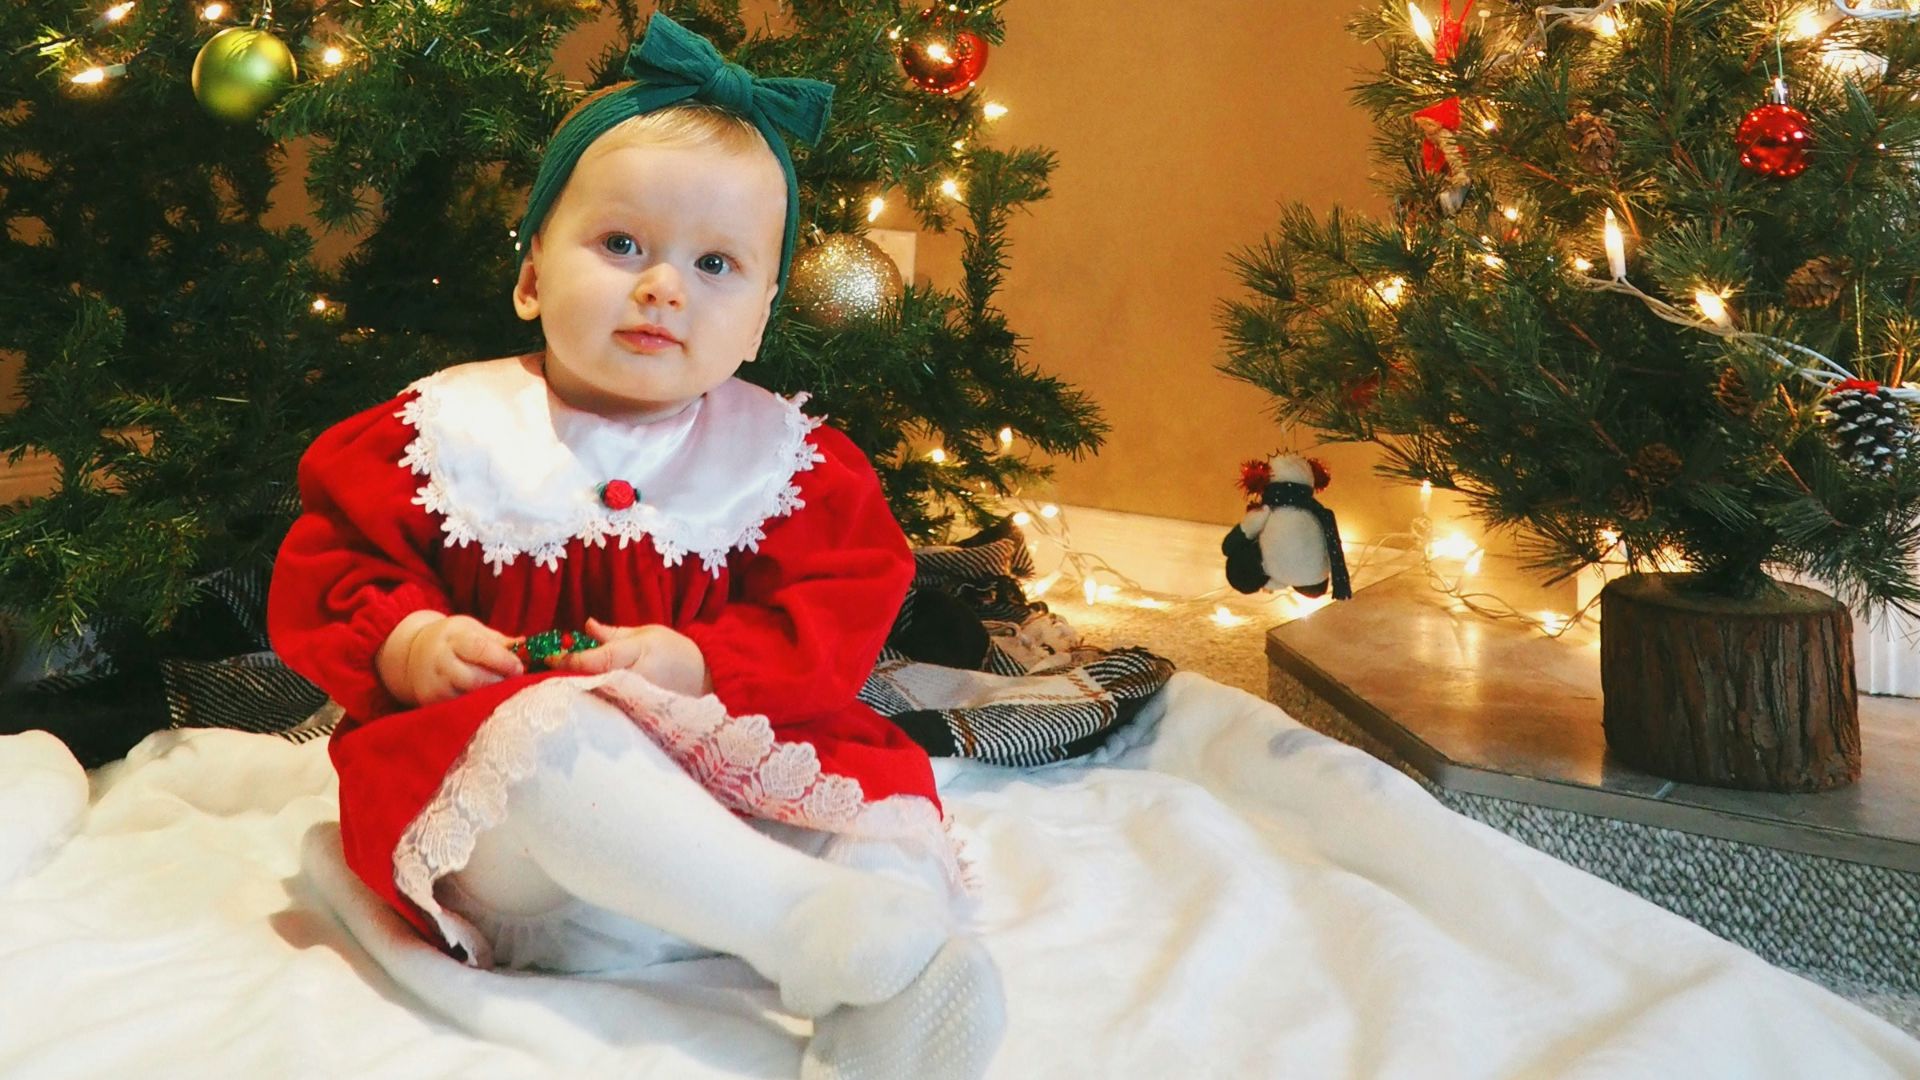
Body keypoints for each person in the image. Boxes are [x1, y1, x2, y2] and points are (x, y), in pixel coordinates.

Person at [268, 15, 1004, 1078]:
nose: (665, 286)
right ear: (531, 277)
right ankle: (800, 928)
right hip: (537, 840)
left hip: (734, 783)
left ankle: (891, 981)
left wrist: (706, 662)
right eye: (622, 246)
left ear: (756, 323)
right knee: (550, 734)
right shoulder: (439, 438)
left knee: (876, 817)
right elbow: (334, 566)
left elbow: (836, 617)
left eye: (716, 264)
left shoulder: (790, 466)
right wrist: (408, 637)